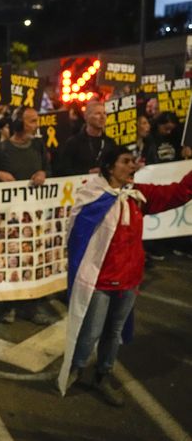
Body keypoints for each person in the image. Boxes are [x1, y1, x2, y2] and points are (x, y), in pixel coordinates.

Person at [58, 146, 192, 405]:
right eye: (126, 161)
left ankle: (103, 375)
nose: (133, 166)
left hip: (129, 280)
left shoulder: (137, 195)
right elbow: (77, 237)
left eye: (134, 161)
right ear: (110, 167)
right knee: (91, 332)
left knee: (114, 331)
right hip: (100, 280)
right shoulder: (93, 195)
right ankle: (77, 366)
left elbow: (176, 193)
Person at [0, 108, 53, 324]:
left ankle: (30, 307)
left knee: (32, 259)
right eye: (32, 121)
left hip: (33, 217)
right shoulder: (0, 149)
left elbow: (49, 169)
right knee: (9, 261)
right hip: (8, 219)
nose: (37, 125)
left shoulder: (38, 146)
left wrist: (44, 173)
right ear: (19, 124)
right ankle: (7, 307)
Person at [55, 101, 116, 176]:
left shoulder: (110, 143)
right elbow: (62, 170)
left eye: (104, 113)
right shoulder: (74, 143)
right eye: (98, 113)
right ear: (86, 117)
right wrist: (87, 172)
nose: (102, 117)